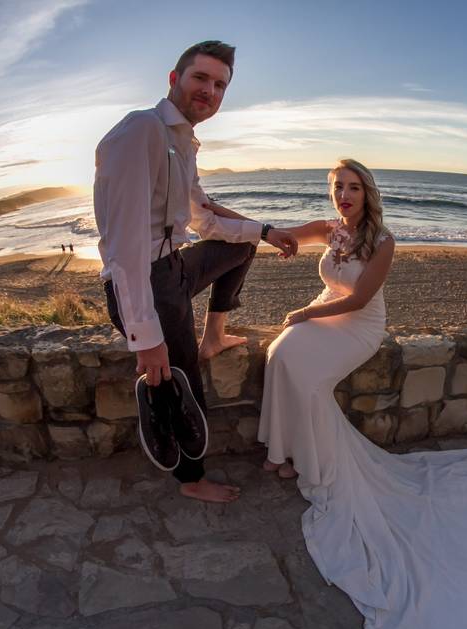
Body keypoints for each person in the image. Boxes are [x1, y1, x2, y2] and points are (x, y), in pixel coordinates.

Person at [257, 159, 467, 629]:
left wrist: (306, 311)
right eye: (337, 188)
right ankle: (282, 450)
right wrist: (224, 223)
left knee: (307, 378)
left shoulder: (384, 242)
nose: (344, 196)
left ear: (368, 193)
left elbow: (357, 301)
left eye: (353, 188)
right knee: (278, 354)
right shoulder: (331, 229)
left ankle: (308, 462)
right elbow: (281, 232)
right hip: (326, 316)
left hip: (357, 326)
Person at [94, 40, 297, 503]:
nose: (210, 90)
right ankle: (191, 479)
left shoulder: (182, 143)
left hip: (174, 266)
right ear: (174, 79)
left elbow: (203, 219)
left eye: (220, 84)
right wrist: (145, 338)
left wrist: (263, 231)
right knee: (180, 380)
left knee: (239, 247)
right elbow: (123, 246)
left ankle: (215, 335)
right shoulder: (141, 131)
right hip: (146, 281)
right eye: (200, 78)